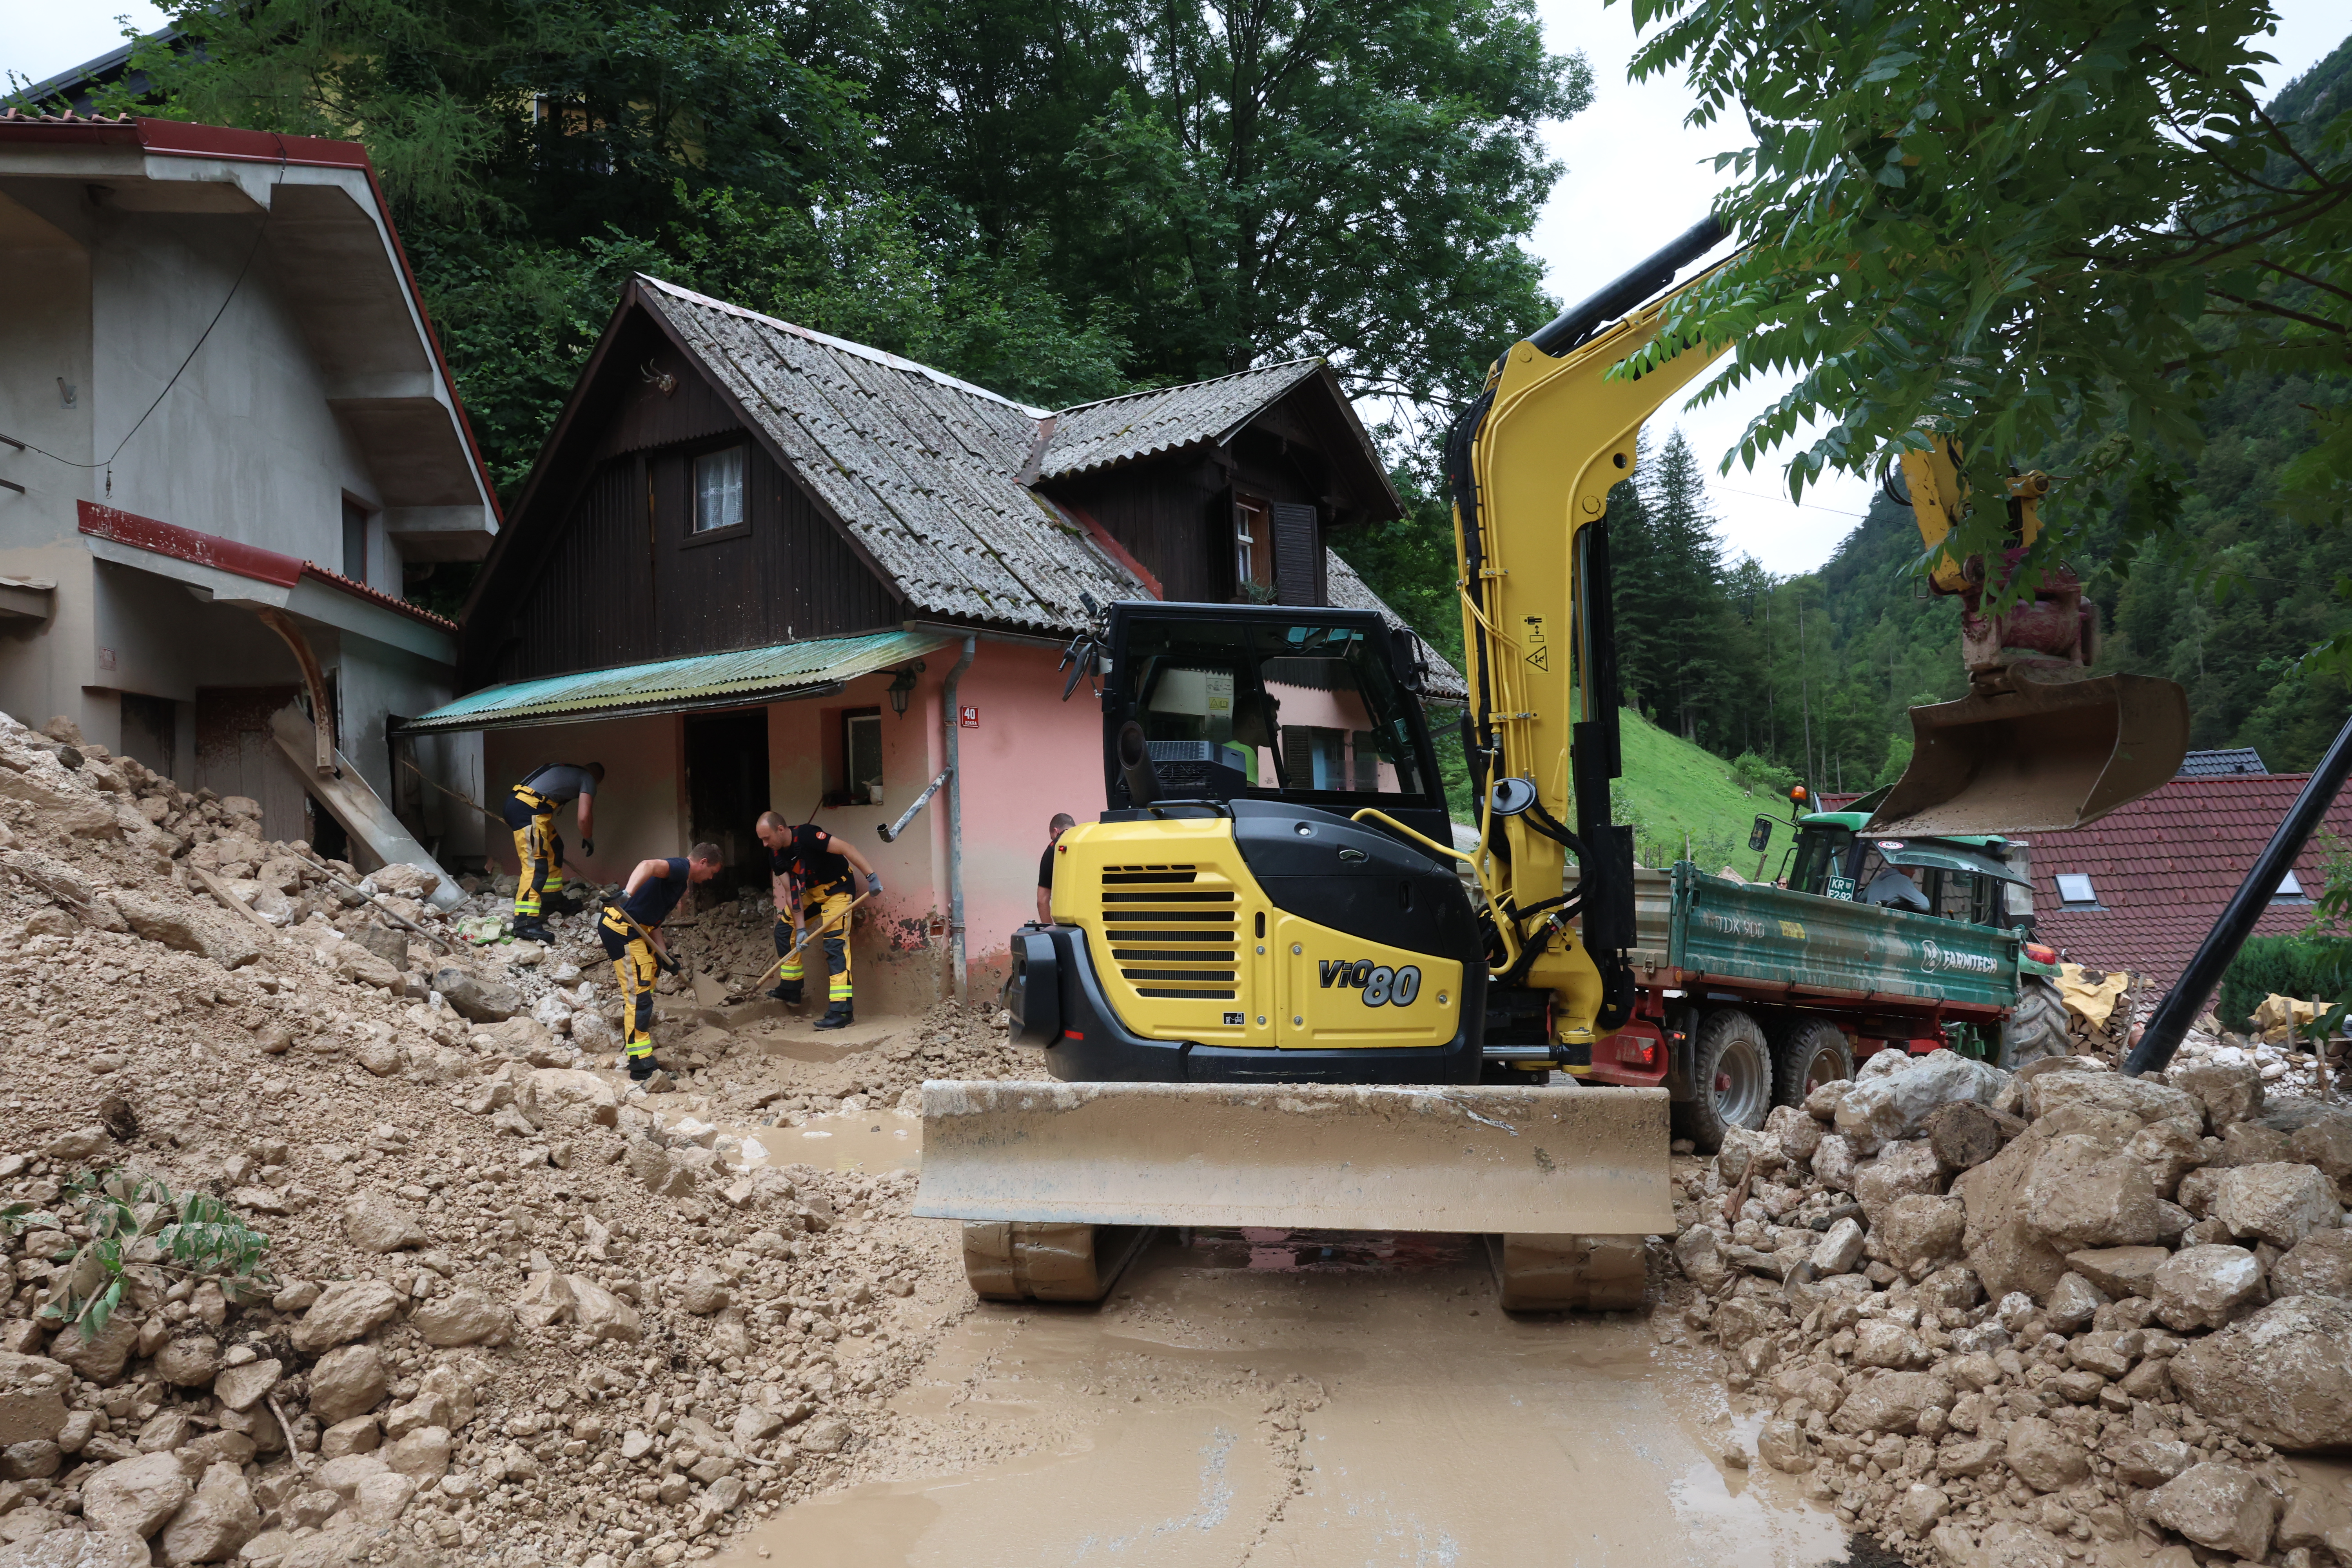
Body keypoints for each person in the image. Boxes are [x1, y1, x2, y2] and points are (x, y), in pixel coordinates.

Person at [599, 844, 722, 1082]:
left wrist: (667, 957)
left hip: (638, 930)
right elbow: (647, 865)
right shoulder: (680, 868)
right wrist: (627, 893)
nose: (710, 878)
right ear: (703, 862)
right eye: (712, 872)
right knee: (639, 993)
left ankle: (637, 1032)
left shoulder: (679, 881)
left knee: (651, 971)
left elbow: (652, 922)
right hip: (622, 929)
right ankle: (640, 1063)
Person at [754, 812, 881, 1030]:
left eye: (767, 838)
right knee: (785, 930)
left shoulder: (807, 835)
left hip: (837, 890)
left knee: (835, 945)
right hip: (812, 893)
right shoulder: (776, 855)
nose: (765, 844)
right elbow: (790, 891)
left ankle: (841, 1011)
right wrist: (802, 928)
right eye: (762, 840)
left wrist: (871, 877)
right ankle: (791, 988)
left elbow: (847, 848)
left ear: (781, 830)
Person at [504, 761, 603, 941]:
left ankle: (552, 899)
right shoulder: (588, 778)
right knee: (535, 864)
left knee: (554, 847)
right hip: (529, 810)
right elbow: (584, 817)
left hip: (524, 805)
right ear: (597, 779)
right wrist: (588, 837)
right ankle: (525, 922)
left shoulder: (565, 769)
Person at [1036, 812, 1076, 923]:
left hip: (1072, 926)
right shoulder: (1090, 840)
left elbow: (1042, 900)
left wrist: (1050, 931)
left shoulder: (1054, 848)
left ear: (1056, 831)